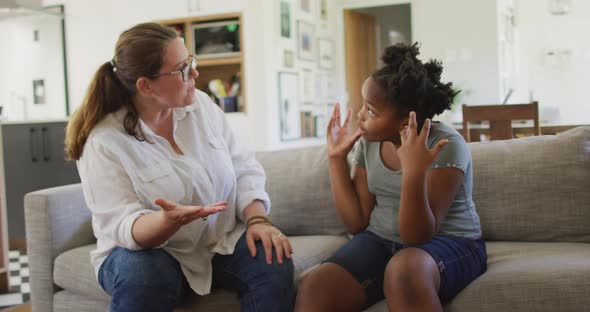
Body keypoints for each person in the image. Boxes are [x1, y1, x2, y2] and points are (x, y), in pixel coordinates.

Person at [65, 22, 294, 312]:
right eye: (182, 69)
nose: (195, 73)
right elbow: (123, 224)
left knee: (273, 257)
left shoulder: (202, 106)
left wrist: (258, 220)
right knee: (146, 277)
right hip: (148, 251)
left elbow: (244, 167)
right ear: (145, 86)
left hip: (217, 243)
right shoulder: (104, 142)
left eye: (191, 61)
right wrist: (167, 222)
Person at [295, 43, 487, 312]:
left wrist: (413, 172)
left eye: (371, 111)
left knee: (404, 270)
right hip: (380, 239)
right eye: (363, 105)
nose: (360, 116)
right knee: (316, 285)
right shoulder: (370, 142)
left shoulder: (445, 145)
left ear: (404, 123)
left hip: (451, 242)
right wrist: (336, 159)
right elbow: (357, 223)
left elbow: (417, 236)